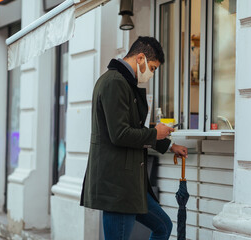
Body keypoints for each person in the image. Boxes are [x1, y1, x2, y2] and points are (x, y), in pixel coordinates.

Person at [80, 36, 188, 240]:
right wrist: (156, 133)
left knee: (163, 226)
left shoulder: (123, 82)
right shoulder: (114, 82)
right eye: (153, 68)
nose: (152, 74)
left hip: (129, 185)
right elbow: (120, 134)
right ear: (140, 58)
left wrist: (168, 144)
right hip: (118, 186)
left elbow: (134, 128)